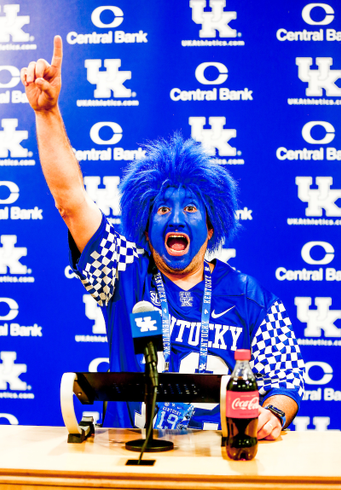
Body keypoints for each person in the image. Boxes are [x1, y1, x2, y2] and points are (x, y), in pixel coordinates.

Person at [21, 36, 305, 439]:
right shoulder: (122, 272)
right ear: (145, 225)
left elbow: (286, 377)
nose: (176, 218)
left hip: (218, 468)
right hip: (130, 464)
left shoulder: (247, 295)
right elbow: (71, 201)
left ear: (210, 227)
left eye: (191, 209)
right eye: (162, 209)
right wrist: (47, 112)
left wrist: (274, 413)